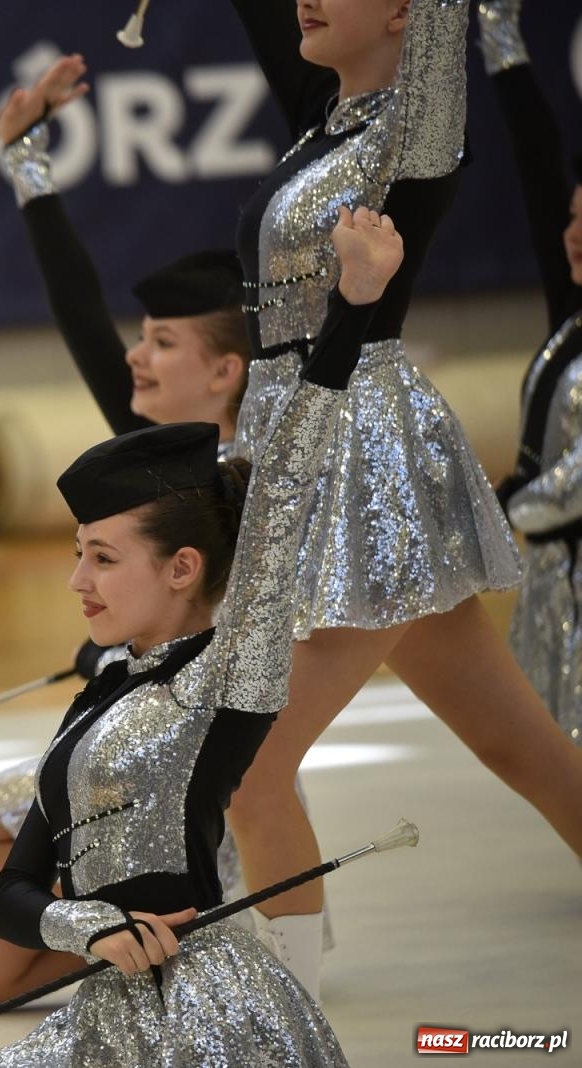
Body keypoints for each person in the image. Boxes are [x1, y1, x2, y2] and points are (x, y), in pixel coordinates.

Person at [0, 53, 326, 1011]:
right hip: (116, 765)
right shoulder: (150, 463)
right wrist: (27, 162)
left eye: (162, 345)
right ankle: (120, 925)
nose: (136, 359)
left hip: (202, 756)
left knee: (268, 777)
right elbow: (76, 316)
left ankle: (279, 966)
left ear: (227, 371)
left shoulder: (264, 479)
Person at [0, 203, 401, 1068]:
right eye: (77, 555)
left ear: (179, 569)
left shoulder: (228, 672)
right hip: (104, 1013)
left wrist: (355, 304)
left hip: (207, 1019)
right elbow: (15, 892)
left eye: (100, 558)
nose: (76, 581)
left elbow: (286, 478)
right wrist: (89, 925)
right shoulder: (97, 699)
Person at [222, 0, 582, 997]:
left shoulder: (415, 124)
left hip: (358, 454)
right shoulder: (321, 114)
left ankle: (277, 1020)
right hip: (297, 438)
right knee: (523, 748)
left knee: (249, 766)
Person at [480, 0, 582, 746]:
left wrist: (507, 508)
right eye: (574, 220)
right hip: (558, 593)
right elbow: (539, 168)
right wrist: (498, 31)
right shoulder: (571, 327)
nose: (573, 236)